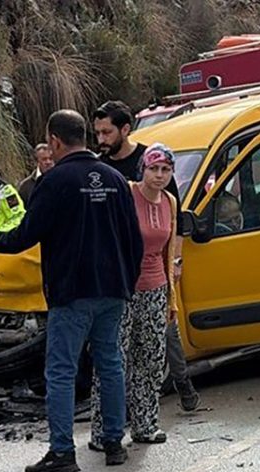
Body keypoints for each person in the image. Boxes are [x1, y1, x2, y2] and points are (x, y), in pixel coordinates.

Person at [0, 109, 143, 472]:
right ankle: (114, 442)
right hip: (112, 289)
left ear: (54, 141)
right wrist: (126, 282)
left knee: (61, 371)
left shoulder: (53, 182)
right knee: (110, 364)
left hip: (72, 292)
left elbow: (26, 235)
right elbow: (134, 239)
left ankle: (62, 452)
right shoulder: (115, 179)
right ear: (84, 135)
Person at [94, 100, 199, 411]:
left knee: (166, 330)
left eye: (106, 132)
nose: (101, 139)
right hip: (120, 272)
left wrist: (176, 261)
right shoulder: (104, 169)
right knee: (121, 340)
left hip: (155, 266)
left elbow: (175, 216)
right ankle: (121, 405)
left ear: (125, 130)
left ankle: (183, 384)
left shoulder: (152, 162)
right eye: (97, 132)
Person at [90, 144, 179, 449]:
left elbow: (170, 252)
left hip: (155, 288)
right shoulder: (127, 193)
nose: (159, 175)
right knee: (115, 359)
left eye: (165, 169)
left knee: (151, 357)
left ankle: (146, 424)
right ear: (143, 168)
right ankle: (104, 430)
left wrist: (171, 297)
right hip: (122, 289)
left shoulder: (169, 201)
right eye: (154, 168)